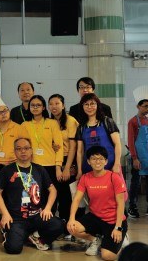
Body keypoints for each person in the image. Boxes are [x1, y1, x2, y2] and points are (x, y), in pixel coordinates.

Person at [0, 137, 64, 254]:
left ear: (31, 150)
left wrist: (47, 208)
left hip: (36, 216)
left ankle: (37, 238)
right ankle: (10, 234)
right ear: (14, 151)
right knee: (14, 249)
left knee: (59, 225)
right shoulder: (7, 170)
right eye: (19, 149)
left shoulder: (39, 169)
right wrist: (5, 214)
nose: (23, 151)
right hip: (16, 218)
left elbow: (53, 190)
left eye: (26, 148)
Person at [67, 146, 128, 261]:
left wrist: (118, 228)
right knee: (72, 228)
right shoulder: (85, 177)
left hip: (114, 220)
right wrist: (71, 218)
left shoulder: (114, 177)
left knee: (108, 256)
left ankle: (121, 239)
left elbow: (121, 204)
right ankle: (96, 239)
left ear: (106, 161)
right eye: (94, 159)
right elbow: (76, 199)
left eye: (100, 159)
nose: (97, 162)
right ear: (88, 161)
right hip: (96, 217)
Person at [20, 95, 64, 214]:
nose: (35, 107)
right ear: (29, 108)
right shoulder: (25, 125)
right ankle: (35, 219)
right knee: (34, 195)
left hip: (50, 165)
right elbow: (22, 147)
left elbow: (59, 147)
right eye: (32, 105)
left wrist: (58, 167)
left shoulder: (52, 123)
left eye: (38, 105)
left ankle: (49, 219)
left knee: (51, 195)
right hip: (32, 166)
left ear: (44, 107)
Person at [48, 93, 79, 223]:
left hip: (68, 159)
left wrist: (67, 168)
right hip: (53, 160)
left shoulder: (70, 121)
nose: (54, 106)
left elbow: (73, 147)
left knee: (67, 194)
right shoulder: (49, 122)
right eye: (51, 104)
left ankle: (68, 223)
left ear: (63, 105)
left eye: (57, 103)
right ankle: (57, 223)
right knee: (56, 192)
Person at [75, 93, 122, 178]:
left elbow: (117, 144)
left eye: (92, 104)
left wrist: (117, 164)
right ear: (82, 107)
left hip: (109, 167)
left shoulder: (107, 121)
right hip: (89, 169)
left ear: (98, 105)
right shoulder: (81, 127)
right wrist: (79, 171)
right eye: (86, 104)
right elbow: (80, 151)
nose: (89, 107)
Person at [0, 93, 25, 170]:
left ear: (9, 112)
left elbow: (25, 150)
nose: (3, 114)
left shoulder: (19, 128)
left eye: (5, 111)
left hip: (16, 165)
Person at [127, 87, 148, 218]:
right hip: (139, 157)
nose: (147, 109)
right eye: (145, 106)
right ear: (138, 106)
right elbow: (131, 140)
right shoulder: (133, 121)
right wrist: (135, 158)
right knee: (136, 182)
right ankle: (132, 207)